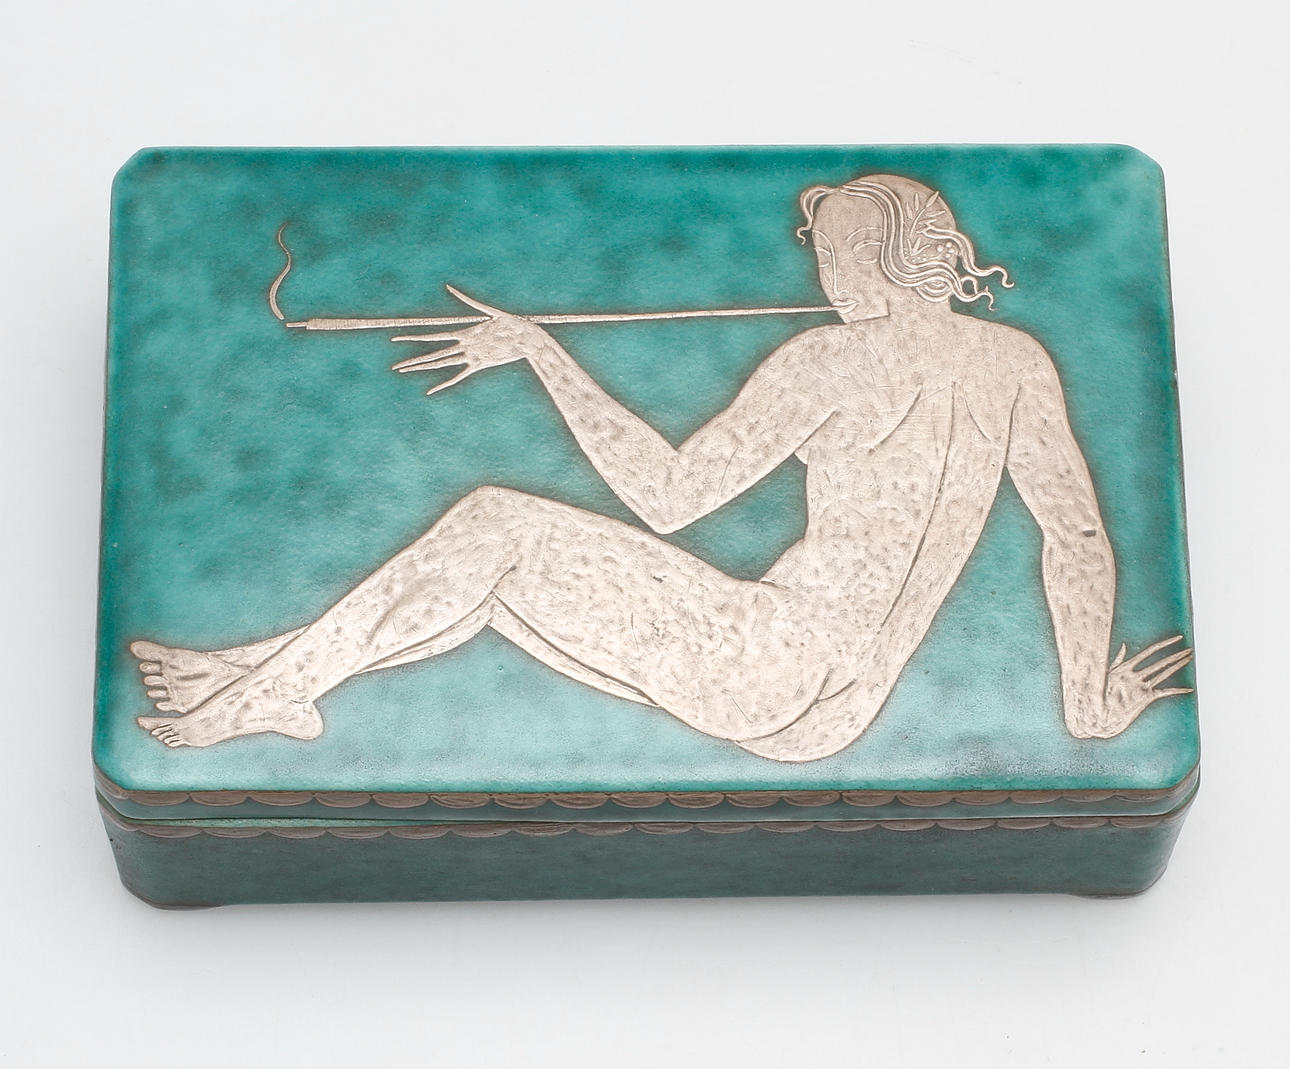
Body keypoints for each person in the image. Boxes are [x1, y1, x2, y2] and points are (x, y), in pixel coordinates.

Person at [134, 173, 1191, 759]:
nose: (824, 272)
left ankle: (267, 689)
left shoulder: (825, 360)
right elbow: (1077, 536)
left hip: (764, 659)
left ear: (880, 259)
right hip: (840, 712)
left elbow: (670, 498)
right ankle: (265, 675)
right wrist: (1084, 707)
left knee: (495, 523)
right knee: (491, 580)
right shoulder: (1017, 360)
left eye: (835, 255)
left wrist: (543, 354)